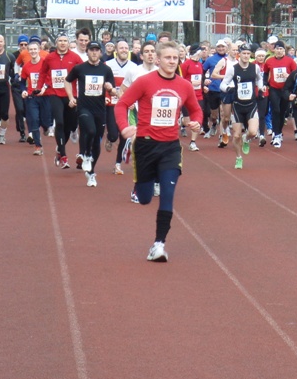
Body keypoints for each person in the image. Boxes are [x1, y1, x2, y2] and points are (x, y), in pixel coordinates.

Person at [116, 41, 203, 262]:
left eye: (175, 58)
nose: (172, 61)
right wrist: (124, 127)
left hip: (170, 148)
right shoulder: (145, 82)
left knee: (167, 195)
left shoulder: (184, 85)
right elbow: (121, 104)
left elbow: (195, 110)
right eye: (167, 58)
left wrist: (196, 123)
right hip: (145, 146)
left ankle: (159, 244)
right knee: (145, 198)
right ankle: (144, 177)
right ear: (158, 60)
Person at [65, 41, 115, 187]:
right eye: (91, 50)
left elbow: (112, 89)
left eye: (97, 50)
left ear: (100, 52)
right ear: (87, 52)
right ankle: (86, 154)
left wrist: (109, 87)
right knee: (90, 130)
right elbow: (67, 81)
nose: (94, 53)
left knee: (97, 140)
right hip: (84, 108)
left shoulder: (106, 70)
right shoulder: (80, 68)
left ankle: (91, 173)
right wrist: (71, 97)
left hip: (100, 109)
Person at [41, 33, 83, 168]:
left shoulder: (75, 58)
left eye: (65, 41)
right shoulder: (49, 58)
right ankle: (64, 156)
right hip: (54, 94)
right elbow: (43, 72)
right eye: (60, 41)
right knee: (59, 122)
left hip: (71, 96)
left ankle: (60, 147)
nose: (63, 43)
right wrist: (39, 88)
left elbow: (83, 73)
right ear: (56, 42)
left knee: (70, 126)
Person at [220, 44, 263, 169]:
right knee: (236, 135)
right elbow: (223, 84)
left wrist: (260, 87)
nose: (246, 56)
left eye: (248, 54)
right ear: (239, 54)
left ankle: (247, 138)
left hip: (251, 104)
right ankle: (239, 158)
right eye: (243, 53)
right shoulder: (233, 69)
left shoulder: (255, 68)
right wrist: (228, 89)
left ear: (251, 55)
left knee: (253, 132)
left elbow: (259, 79)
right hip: (238, 105)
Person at [105, 39, 142, 171]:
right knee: (114, 134)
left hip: (128, 106)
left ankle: (117, 164)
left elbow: (136, 88)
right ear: (116, 50)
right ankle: (110, 138)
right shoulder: (108, 65)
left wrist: (132, 101)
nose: (124, 50)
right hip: (111, 104)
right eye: (121, 48)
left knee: (124, 135)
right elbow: (104, 84)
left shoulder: (134, 67)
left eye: (126, 48)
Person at [263, 40, 297, 147]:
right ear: (274, 50)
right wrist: (265, 84)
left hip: (286, 90)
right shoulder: (269, 61)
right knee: (275, 110)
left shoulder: (290, 61)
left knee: (283, 112)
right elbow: (265, 73)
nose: (279, 51)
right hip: (274, 88)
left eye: (281, 49)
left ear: (284, 50)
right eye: (277, 49)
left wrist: (289, 76)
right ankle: (276, 134)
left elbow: (296, 74)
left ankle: (278, 131)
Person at [21, 41, 50, 155]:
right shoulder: (26, 66)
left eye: (35, 49)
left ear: (39, 50)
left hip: (45, 96)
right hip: (31, 97)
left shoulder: (45, 63)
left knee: (45, 121)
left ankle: (46, 127)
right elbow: (22, 82)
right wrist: (23, 90)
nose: (33, 51)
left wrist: (45, 88)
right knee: (34, 120)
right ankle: (38, 146)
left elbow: (50, 78)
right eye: (31, 49)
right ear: (28, 51)